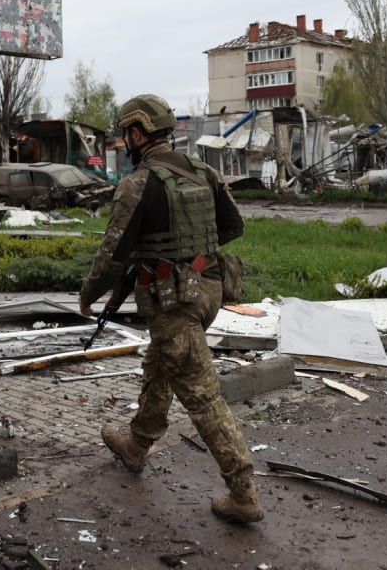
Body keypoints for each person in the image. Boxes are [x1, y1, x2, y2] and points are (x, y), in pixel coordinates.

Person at [78, 94, 263, 524]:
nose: (125, 144)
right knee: (161, 362)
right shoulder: (204, 171)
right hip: (211, 288)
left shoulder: (138, 184)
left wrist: (89, 295)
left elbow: (111, 257)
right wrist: (193, 253)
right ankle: (137, 444)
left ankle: (243, 492)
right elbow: (234, 226)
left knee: (202, 396)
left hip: (172, 301)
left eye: (126, 134)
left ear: (139, 133)